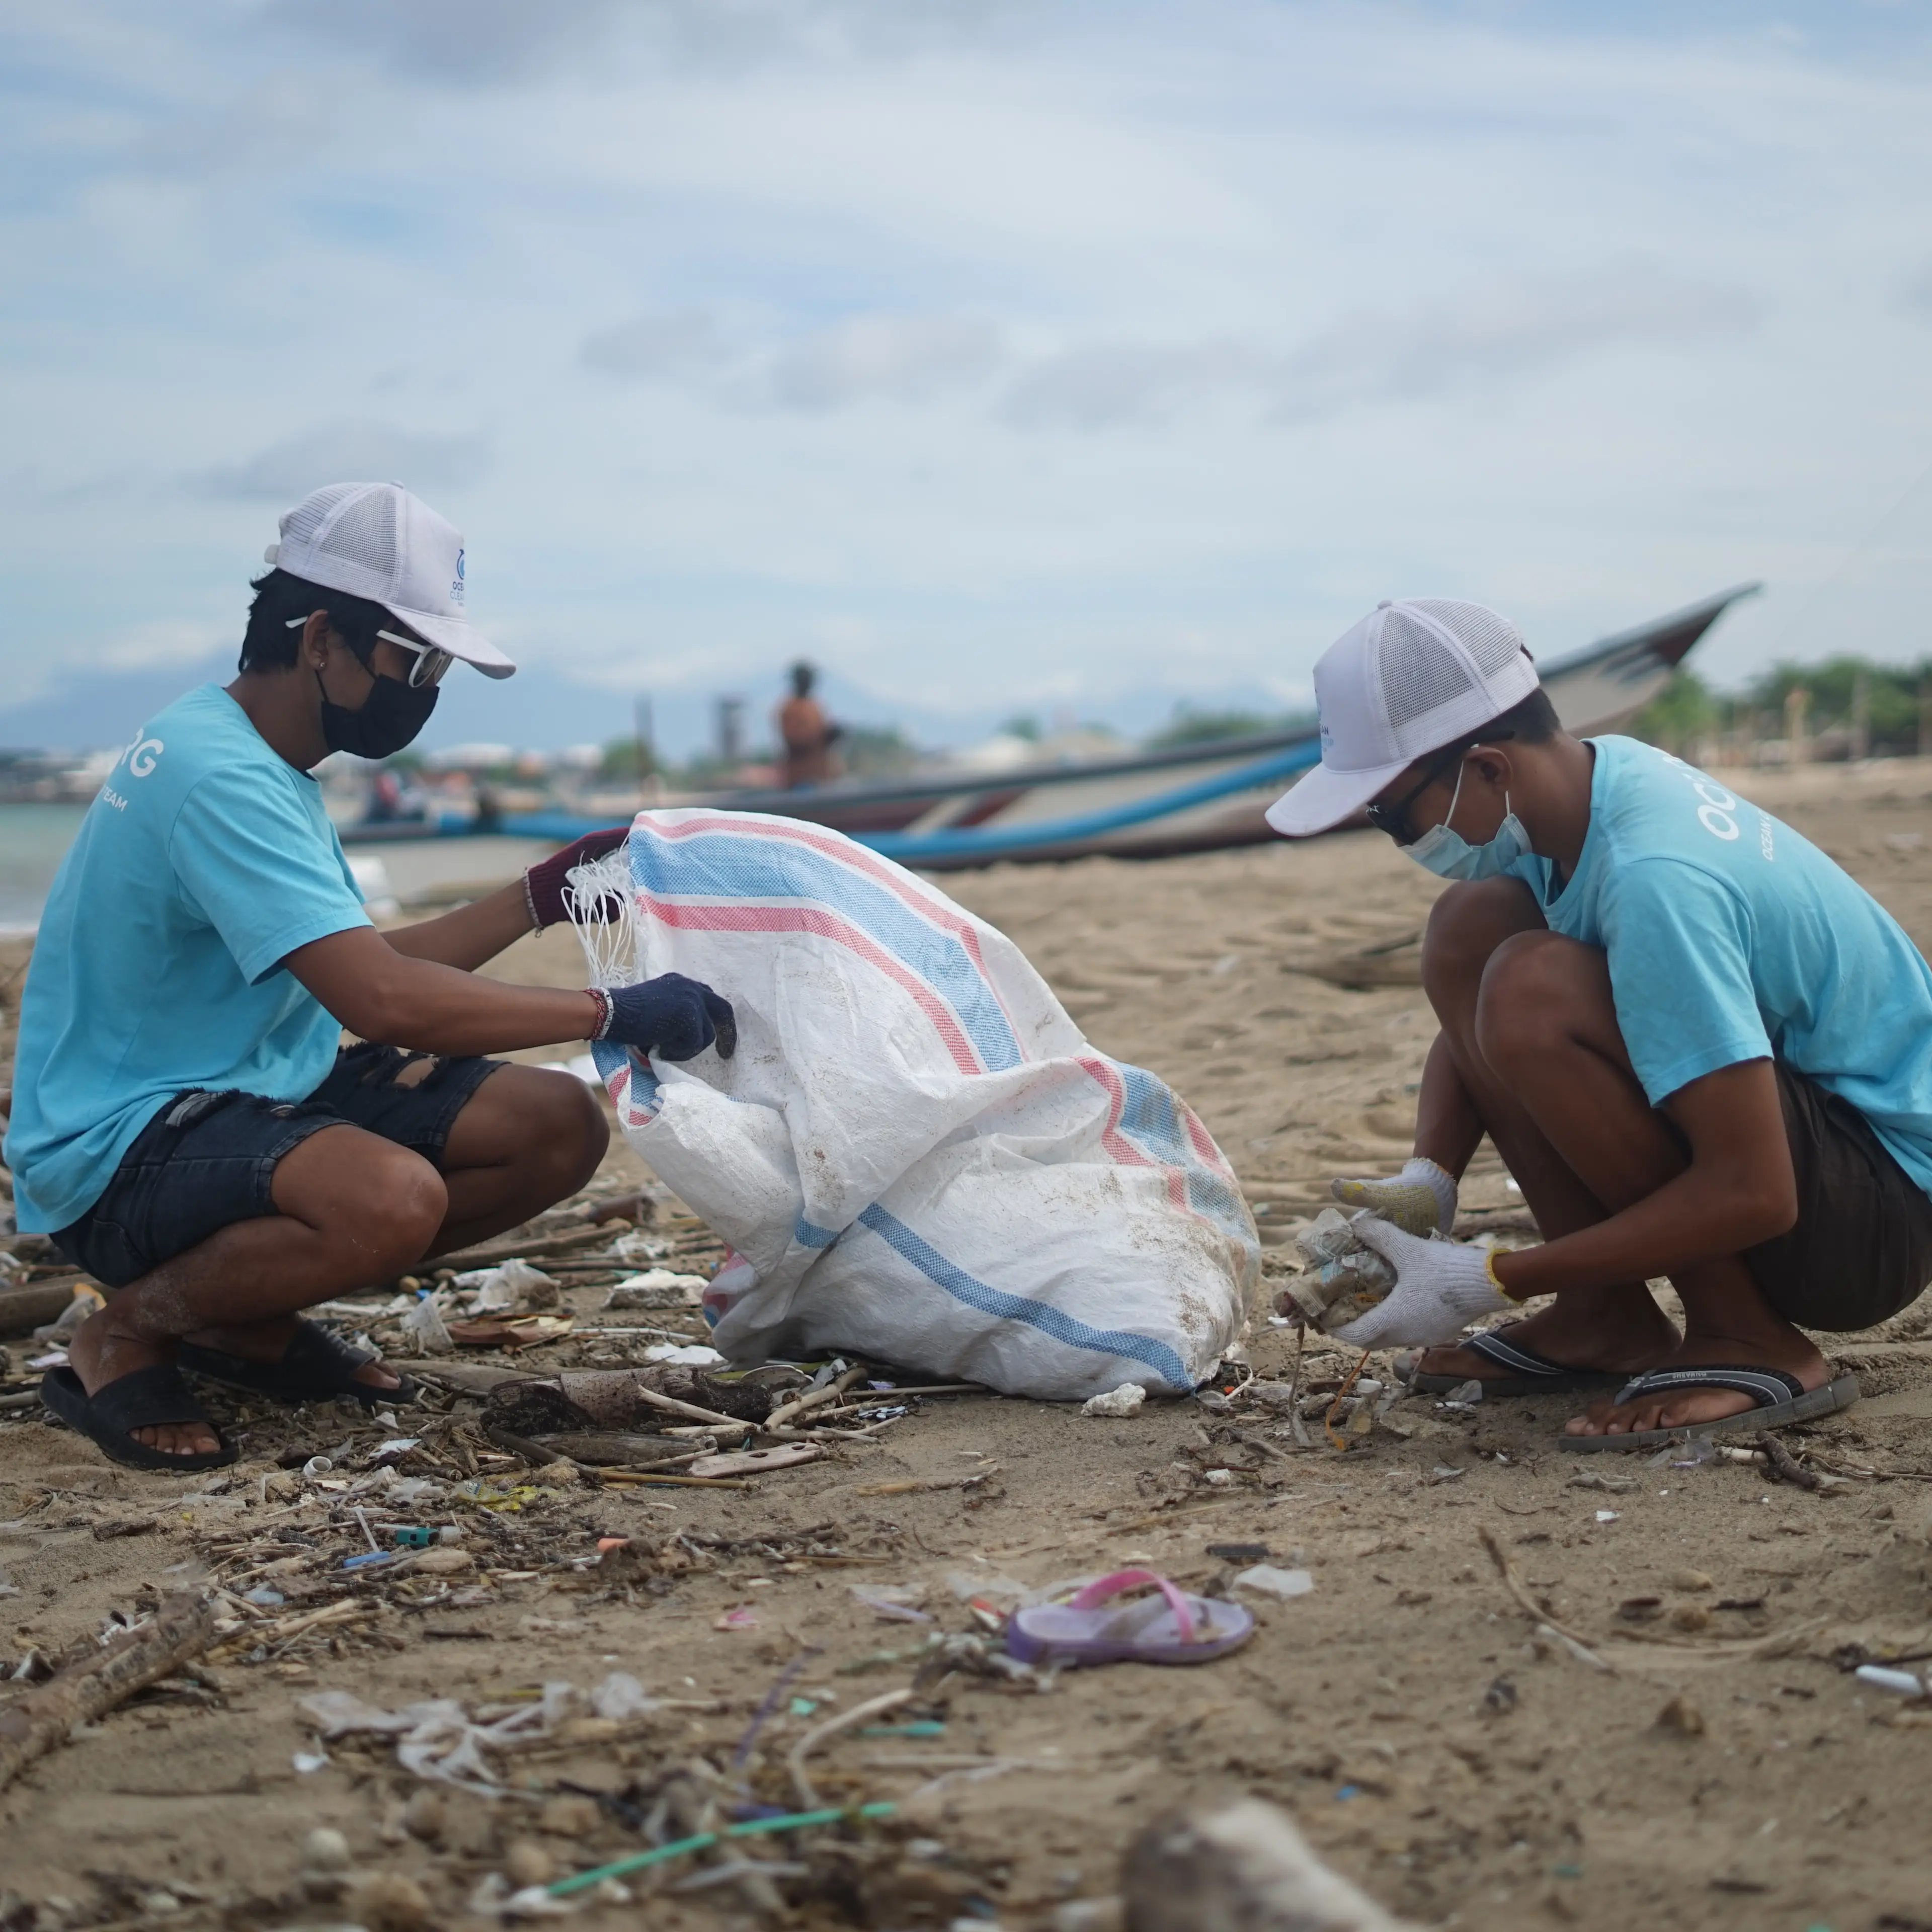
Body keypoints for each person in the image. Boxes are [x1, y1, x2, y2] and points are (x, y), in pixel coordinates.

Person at [3, 482, 734, 1471]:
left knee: (553, 1129)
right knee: (386, 1201)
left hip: (246, 1092)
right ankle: (128, 1330)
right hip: (121, 1144)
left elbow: (367, 965)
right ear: (319, 640)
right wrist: (610, 1010)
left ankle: (238, 1318)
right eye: (412, 658)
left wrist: (540, 897)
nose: (425, 689)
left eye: (438, 667)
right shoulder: (219, 776)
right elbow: (382, 1003)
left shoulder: (255, 757)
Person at [1264, 597, 1932, 1445]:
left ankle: (1750, 1337)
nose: (1395, 836)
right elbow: (1475, 1029)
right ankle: (1602, 1316)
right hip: (1820, 1163)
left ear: (1490, 770)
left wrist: (1493, 1276)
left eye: (1393, 814)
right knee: (1475, 931)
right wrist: (1431, 1176)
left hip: (1876, 1213)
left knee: (1529, 985)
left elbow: (1754, 1191)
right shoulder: (1588, 790)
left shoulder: (1658, 877)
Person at [776, 660, 842, 789]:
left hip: (821, 776)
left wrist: (832, 736)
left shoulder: (814, 706)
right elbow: (795, 742)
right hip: (800, 779)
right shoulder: (790, 709)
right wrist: (824, 737)